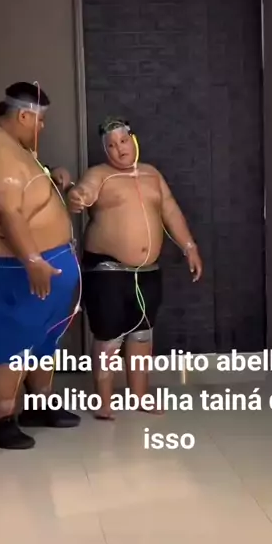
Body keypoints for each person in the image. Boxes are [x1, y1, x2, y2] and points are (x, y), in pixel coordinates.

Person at [0, 82, 81, 449]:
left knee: (42, 340)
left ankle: (39, 405)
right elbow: (6, 212)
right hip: (11, 271)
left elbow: (27, 189)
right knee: (10, 344)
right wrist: (33, 259)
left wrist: (53, 176)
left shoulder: (15, 146)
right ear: (24, 116)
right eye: (40, 121)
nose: (42, 127)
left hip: (39, 270)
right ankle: (0, 421)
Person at [68, 116, 202, 420]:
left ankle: (140, 396)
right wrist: (77, 197)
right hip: (107, 270)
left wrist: (190, 247)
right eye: (111, 145)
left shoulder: (152, 175)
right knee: (108, 335)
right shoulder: (99, 175)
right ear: (106, 151)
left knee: (142, 334)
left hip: (148, 271)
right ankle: (104, 401)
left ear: (133, 140)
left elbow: (171, 211)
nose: (119, 149)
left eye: (123, 141)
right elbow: (83, 192)